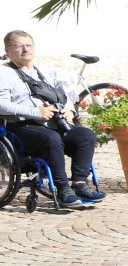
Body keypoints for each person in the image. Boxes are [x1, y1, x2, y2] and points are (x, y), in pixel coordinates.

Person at [0, 30, 103, 210]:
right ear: (7, 51)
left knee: (86, 135)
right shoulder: (3, 73)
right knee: (51, 138)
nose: (25, 49)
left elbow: (64, 95)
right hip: (22, 126)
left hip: (53, 123)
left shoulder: (44, 72)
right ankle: (63, 189)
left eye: (28, 45)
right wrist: (35, 112)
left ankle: (80, 184)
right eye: (18, 46)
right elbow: (2, 105)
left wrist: (69, 109)